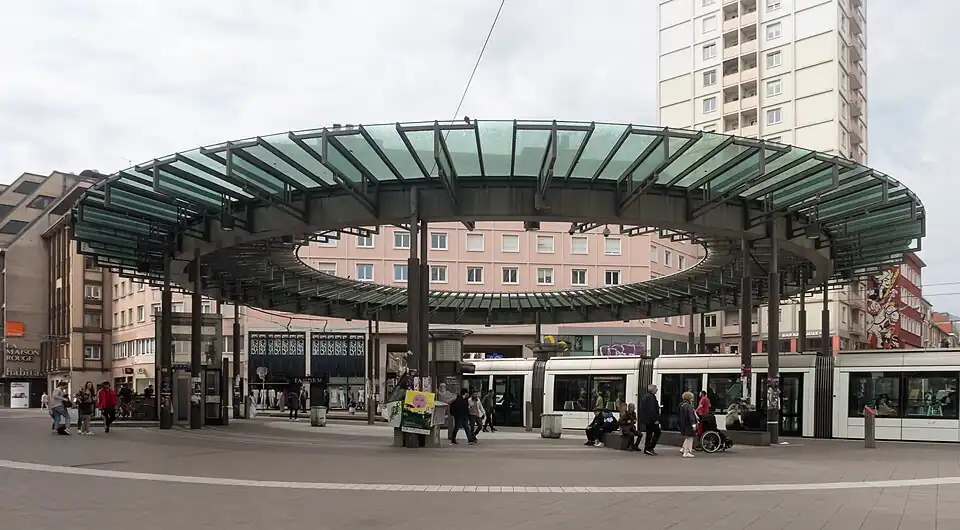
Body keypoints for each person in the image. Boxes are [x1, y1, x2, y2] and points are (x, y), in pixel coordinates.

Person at [640, 384, 662, 455]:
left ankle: (647, 448)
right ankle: (650, 447)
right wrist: (655, 419)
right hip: (651, 420)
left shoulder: (648, 397)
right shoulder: (650, 397)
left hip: (648, 420)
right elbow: (651, 409)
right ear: (652, 390)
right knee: (657, 432)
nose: (657, 390)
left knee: (649, 434)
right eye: (656, 389)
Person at [678, 391, 699, 458]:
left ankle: (683, 449)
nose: (692, 399)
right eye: (692, 397)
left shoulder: (681, 405)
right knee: (690, 438)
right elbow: (691, 416)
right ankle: (687, 452)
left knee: (687, 437)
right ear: (689, 398)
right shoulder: (688, 406)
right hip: (688, 424)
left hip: (683, 424)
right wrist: (693, 424)